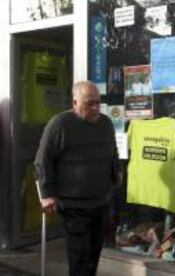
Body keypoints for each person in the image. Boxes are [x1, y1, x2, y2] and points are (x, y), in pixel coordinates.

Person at [34, 81, 120, 276]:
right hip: (73, 205)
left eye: (98, 102)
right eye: (90, 103)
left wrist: (117, 174)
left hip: (100, 201)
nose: (96, 108)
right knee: (80, 257)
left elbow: (112, 152)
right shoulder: (60, 124)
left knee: (93, 256)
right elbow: (43, 160)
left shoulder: (105, 124)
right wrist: (47, 194)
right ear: (75, 103)